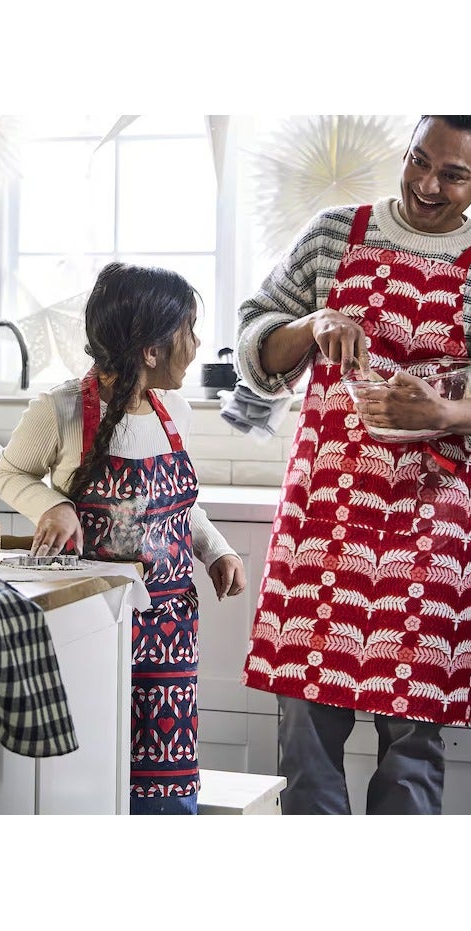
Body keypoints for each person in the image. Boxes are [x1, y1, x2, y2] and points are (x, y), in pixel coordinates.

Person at [235, 115, 471, 815]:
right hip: (323, 515)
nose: (426, 184)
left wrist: (446, 416)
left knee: (409, 747)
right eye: (416, 160)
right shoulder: (335, 232)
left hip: (430, 524)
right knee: (303, 737)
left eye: (452, 174)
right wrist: (311, 325)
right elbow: (253, 339)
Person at [0, 261, 246, 814]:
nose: (198, 344)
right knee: (90, 763)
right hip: (94, 620)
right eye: (189, 330)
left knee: (166, 775)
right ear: (150, 350)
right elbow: (8, 474)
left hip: (171, 625)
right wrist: (55, 505)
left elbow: (179, 505)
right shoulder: (59, 409)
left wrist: (216, 549)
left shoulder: (173, 410)